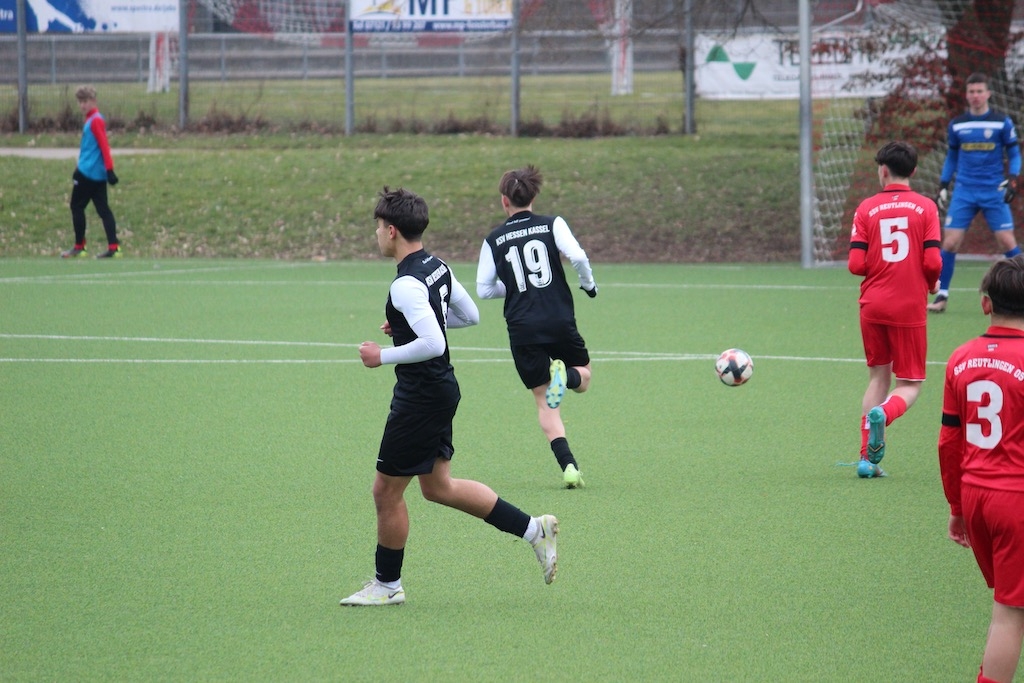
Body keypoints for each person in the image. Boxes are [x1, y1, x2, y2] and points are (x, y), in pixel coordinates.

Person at [340, 187, 559, 606]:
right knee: (439, 487)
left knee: (385, 492)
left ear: (391, 231)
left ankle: (387, 586)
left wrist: (382, 355)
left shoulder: (405, 284)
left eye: (378, 228)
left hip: (420, 396)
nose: (377, 235)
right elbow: (468, 315)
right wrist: (409, 326)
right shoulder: (437, 265)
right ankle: (535, 530)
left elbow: (434, 342)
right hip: (441, 389)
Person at [475, 165, 597, 489]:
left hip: (522, 327)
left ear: (504, 201)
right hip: (558, 318)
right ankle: (566, 377)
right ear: (533, 196)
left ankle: (569, 467)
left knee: (544, 400)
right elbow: (578, 257)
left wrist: (517, 287)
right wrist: (588, 284)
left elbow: (484, 289)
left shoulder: (493, 239)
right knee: (584, 377)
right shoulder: (552, 224)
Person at [938, 255, 1024, 683]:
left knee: (1008, 606)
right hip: (1017, 499)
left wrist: (956, 506)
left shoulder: (960, 358)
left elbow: (948, 443)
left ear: (985, 304)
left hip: (976, 496)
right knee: (1011, 613)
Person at [848, 141, 942, 478]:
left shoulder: (866, 208)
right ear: (913, 171)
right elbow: (933, 261)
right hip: (908, 306)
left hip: (872, 305)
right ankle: (885, 414)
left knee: (878, 377)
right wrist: (931, 283)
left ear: (883, 170)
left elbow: (856, 265)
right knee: (910, 383)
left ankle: (867, 460)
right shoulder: (926, 207)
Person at [929, 72, 1022, 313]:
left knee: (1007, 241)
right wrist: (943, 184)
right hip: (964, 191)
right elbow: (952, 157)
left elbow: (1014, 154)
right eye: (972, 91)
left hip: (993, 190)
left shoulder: (1002, 122)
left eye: (980, 91)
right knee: (950, 242)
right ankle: (941, 296)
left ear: (988, 93)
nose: (976, 95)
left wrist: (1013, 179)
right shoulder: (957, 124)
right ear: (967, 95)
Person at [61, 85, 121, 259]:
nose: (82, 105)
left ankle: (79, 246)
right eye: (80, 102)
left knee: (76, 206)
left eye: (85, 101)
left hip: (87, 173)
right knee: (103, 209)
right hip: (97, 174)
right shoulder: (92, 119)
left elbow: (104, 145)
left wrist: (110, 169)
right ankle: (113, 247)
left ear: (93, 101)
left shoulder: (95, 120)